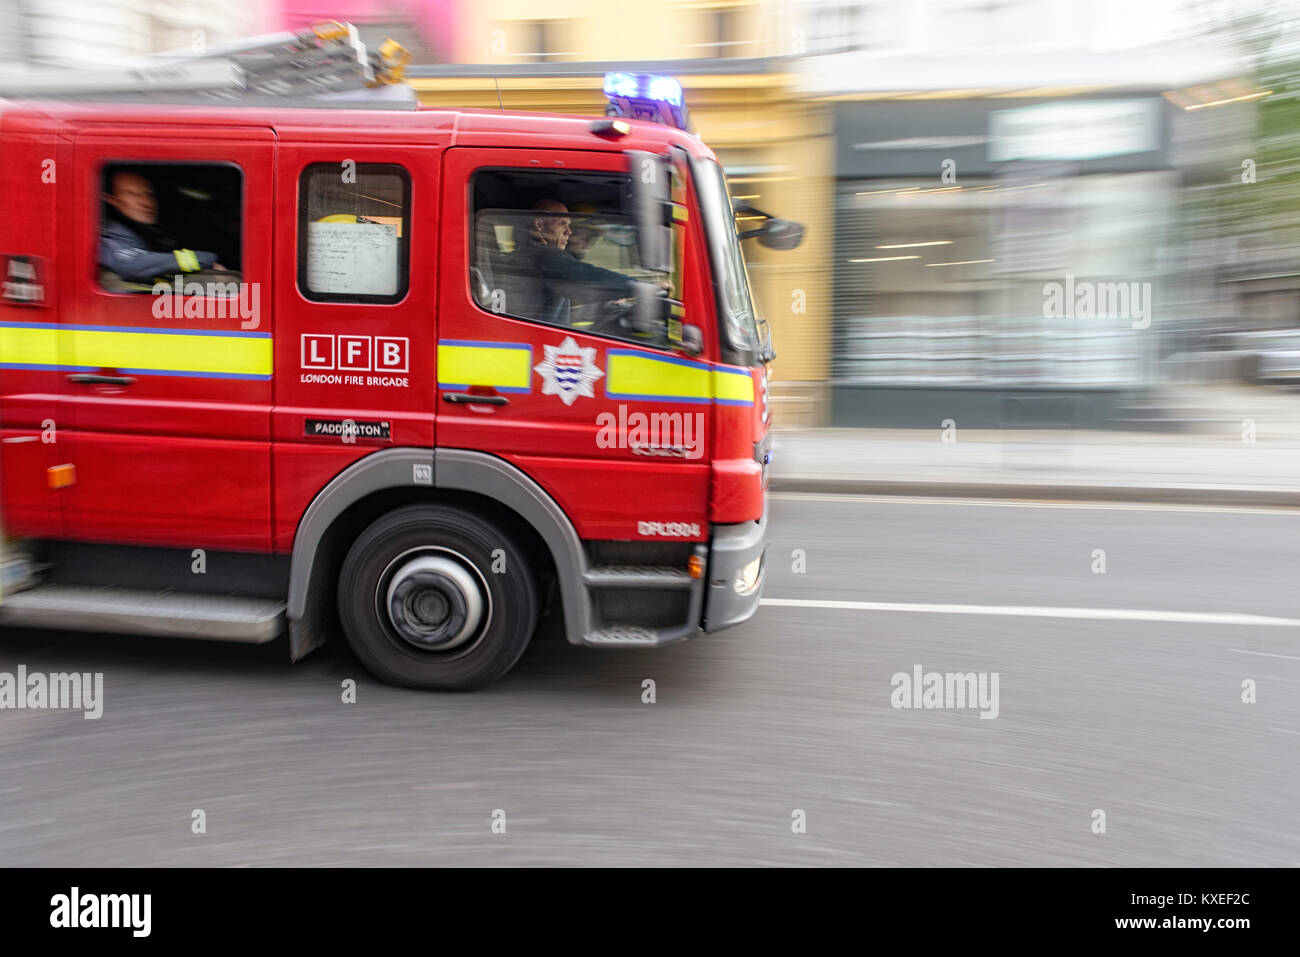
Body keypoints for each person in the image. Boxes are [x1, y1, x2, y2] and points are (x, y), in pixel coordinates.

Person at [511, 199, 646, 325]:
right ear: (539, 225)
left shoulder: (526, 256)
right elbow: (585, 277)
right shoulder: (543, 257)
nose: (568, 232)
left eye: (569, 225)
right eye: (562, 224)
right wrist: (641, 289)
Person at [100, 170, 225, 284]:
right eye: (133, 194)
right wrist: (203, 261)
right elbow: (134, 265)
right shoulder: (109, 234)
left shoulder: (150, 233)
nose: (146, 202)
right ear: (112, 199)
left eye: (149, 194)